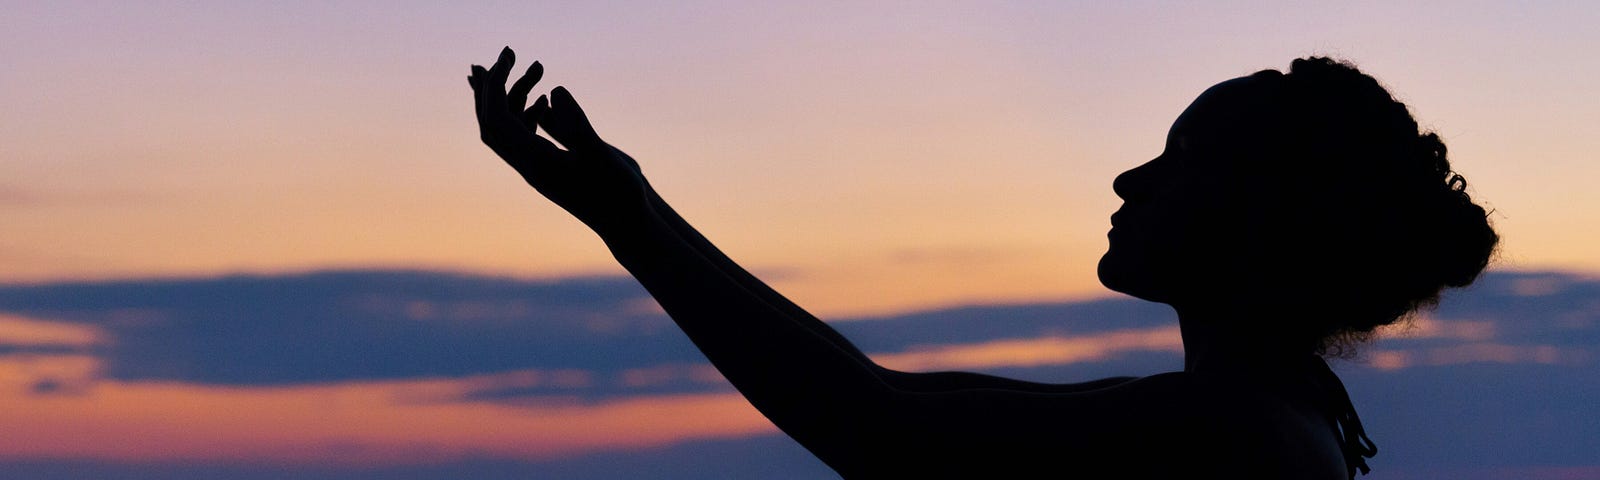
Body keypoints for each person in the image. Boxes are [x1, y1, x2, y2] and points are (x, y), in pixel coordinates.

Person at [468, 48, 1497, 479]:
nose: (1129, 177)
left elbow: (875, 426)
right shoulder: (1278, 420)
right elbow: (883, 408)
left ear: (1256, 217)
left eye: (1178, 162)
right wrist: (632, 211)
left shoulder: (1229, 436)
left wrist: (633, 221)